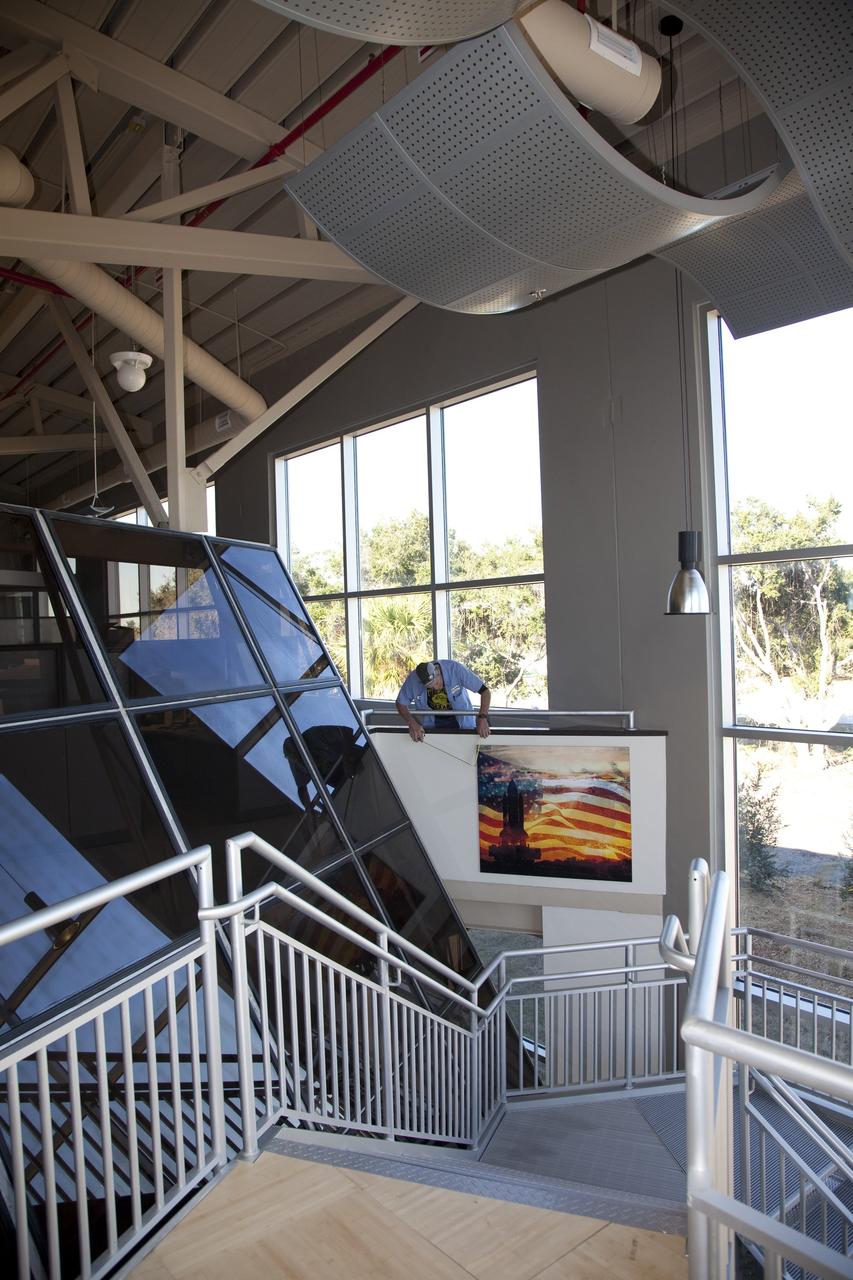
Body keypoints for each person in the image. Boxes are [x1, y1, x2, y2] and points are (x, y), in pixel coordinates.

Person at [395, 660, 491, 741]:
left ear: (437, 671)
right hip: (433, 724)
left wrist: (482, 718)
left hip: (462, 723)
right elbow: (400, 703)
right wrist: (412, 722)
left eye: (436, 683)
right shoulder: (414, 679)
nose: (436, 688)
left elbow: (485, 692)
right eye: (430, 687)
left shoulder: (455, 669)